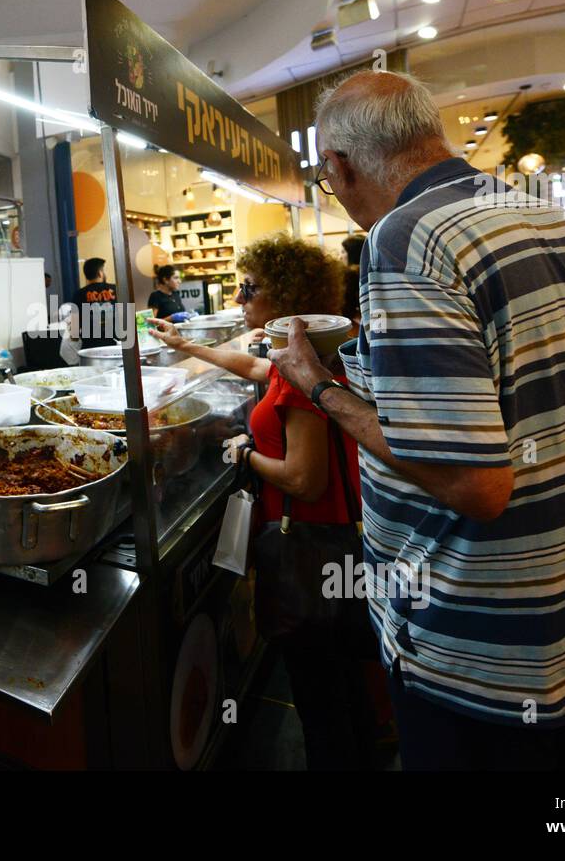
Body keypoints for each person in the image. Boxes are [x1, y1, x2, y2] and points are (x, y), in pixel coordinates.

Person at [269, 70, 565, 771]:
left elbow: (472, 484)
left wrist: (320, 386)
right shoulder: (545, 212)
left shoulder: (404, 238)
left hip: (488, 644)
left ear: (337, 165)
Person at [150, 233, 380, 771]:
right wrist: (188, 348)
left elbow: (305, 479)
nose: (240, 299)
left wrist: (243, 453)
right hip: (347, 546)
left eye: (249, 289)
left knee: (321, 698)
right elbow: (256, 371)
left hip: (313, 547)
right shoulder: (306, 357)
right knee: (345, 686)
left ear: (283, 297)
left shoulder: (302, 379)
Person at [70, 257, 118, 349]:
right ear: (100, 273)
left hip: (91, 348)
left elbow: (74, 334)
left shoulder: (78, 294)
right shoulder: (117, 289)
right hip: (115, 346)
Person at [340, 233, 365, 324]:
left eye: (343, 252)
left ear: (352, 253)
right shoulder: (371, 271)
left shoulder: (350, 274)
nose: (340, 257)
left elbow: (347, 309)